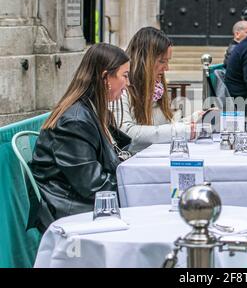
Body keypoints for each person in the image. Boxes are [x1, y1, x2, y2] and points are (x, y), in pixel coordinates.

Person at [31, 43, 131, 231]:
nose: (127, 83)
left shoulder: (92, 110)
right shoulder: (76, 121)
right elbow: (93, 186)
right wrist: (136, 188)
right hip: (69, 208)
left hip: (81, 201)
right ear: (105, 78)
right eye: (124, 76)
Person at [119, 27, 202, 153]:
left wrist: (195, 118)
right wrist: (181, 130)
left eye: (167, 61)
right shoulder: (120, 90)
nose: (166, 68)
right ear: (144, 60)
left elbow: (163, 127)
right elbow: (126, 132)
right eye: (162, 61)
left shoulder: (156, 89)